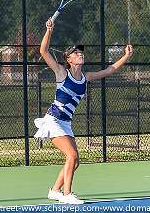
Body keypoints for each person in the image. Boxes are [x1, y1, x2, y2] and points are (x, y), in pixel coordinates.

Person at [34, 18, 134, 204]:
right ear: (69, 59)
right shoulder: (62, 73)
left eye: (81, 52)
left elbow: (110, 70)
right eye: (76, 53)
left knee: (75, 161)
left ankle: (55, 190)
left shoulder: (86, 77)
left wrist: (126, 56)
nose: (80, 54)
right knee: (71, 156)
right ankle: (67, 194)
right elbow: (43, 51)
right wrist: (49, 30)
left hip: (66, 122)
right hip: (53, 120)